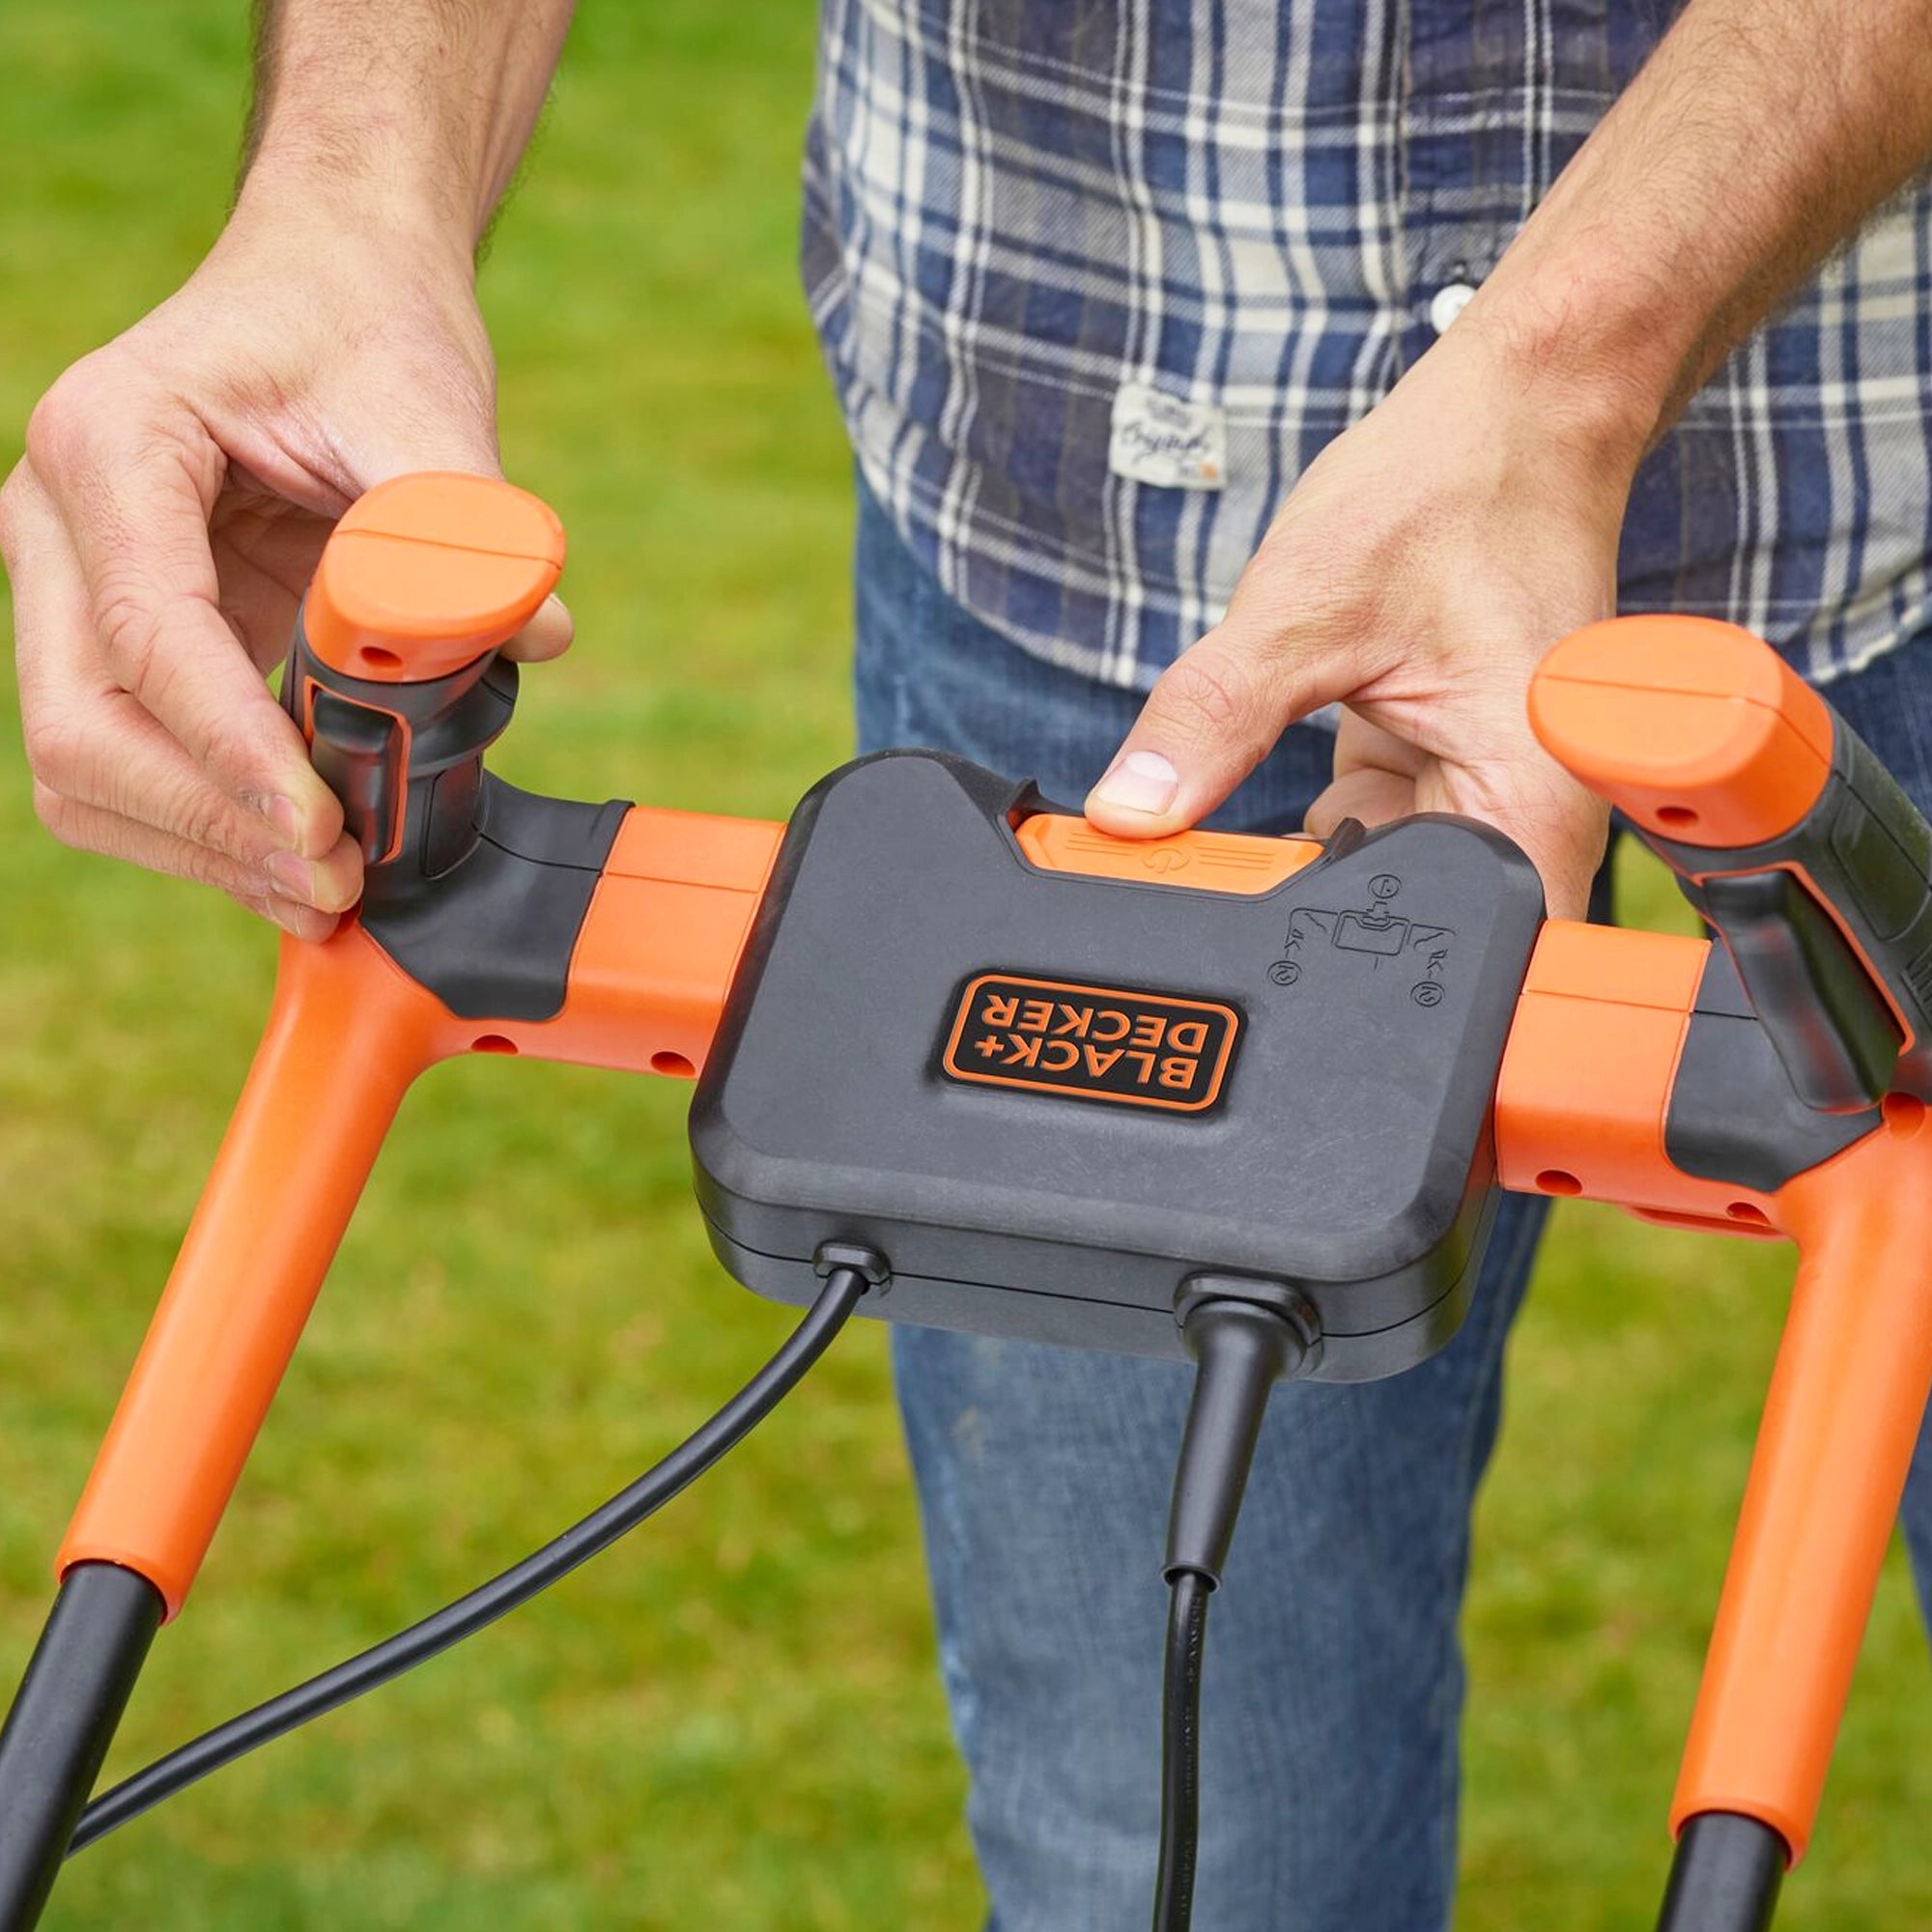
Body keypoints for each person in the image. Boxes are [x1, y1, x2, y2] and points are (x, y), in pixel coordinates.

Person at [4, 2, 1930, 1923]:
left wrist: (1564, 373)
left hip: (1875, 506)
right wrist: (350, 197)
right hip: (1084, 540)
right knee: (1175, 1855)